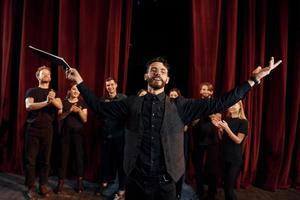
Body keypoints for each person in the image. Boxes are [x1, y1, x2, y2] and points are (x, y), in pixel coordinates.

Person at [66, 56, 281, 200]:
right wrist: (80, 82)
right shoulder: (131, 103)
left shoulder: (182, 106)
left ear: (167, 78)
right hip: (135, 182)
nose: (157, 73)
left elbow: (220, 103)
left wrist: (253, 80)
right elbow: (98, 107)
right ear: (146, 76)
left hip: (166, 185)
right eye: (153, 70)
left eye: (162, 71)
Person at [24, 66, 62, 198]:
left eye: (48, 74)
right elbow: (29, 106)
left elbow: (60, 106)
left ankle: (43, 185)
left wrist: (52, 99)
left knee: (45, 159)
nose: (46, 75)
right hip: (33, 129)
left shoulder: (53, 93)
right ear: (37, 76)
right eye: (43, 73)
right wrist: (46, 102)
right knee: (31, 159)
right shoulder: (32, 91)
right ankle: (30, 187)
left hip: (48, 130)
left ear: (50, 78)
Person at [96, 77, 127, 200]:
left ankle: (122, 188)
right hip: (106, 136)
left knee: (121, 163)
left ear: (116, 85)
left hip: (120, 136)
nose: (110, 87)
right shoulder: (102, 100)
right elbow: (99, 115)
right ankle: (104, 183)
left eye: (112, 84)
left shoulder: (123, 98)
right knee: (105, 161)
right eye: (108, 85)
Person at [54, 83, 88, 194]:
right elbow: (59, 118)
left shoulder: (82, 102)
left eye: (78, 90)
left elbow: (85, 120)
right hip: (65, 134)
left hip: (78, 134)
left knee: (79, 157)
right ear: (70, 90)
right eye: (74, 89)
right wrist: (69, 111)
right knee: (63, 158)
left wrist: (79, 112)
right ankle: (60, 183)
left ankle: (80, 183)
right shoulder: (63, 102)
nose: (76, 91)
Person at [211, 100, 248, 200]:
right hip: (225, 156)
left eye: (234, 104)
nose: (231, 106)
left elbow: (238, 140)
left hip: (234, 158)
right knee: (225, 187)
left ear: (240, 106)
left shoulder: (243, 122)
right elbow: (222, 138)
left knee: (229, 188)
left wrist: (226, 128)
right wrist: (219, 129)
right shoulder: (227, 119)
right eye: (230, 104)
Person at [191, 82, 221, 200]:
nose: (202, 91)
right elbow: (193, 123)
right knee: (198, 167)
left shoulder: (215, 103)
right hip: (199, 141)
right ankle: (199, 191)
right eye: (201, 89)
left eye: (205, 89)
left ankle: (212, 192)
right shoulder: (196, 104)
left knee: (212, 168)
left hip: (212, 141)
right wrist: (198, 114)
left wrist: (209, 111)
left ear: (211, 92)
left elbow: (217, 118)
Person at [168, 88, 189, 199]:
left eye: (175, 95)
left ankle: (178, 192)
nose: (173, 97)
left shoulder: (183, 110)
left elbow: (185, 128)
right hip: (168, 143)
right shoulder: (165, 109)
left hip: (180, 143)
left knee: (179, 167)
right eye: (171, 95)